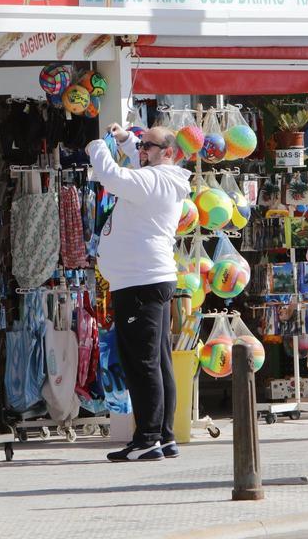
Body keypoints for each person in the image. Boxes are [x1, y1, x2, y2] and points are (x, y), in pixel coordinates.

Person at [86, 123, 191, 462]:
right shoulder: (163, 177)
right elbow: (139, 159)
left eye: (150, 146)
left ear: (169, 153)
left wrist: (96, 147)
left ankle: (147, 439)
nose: (142, 150)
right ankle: (164, 436)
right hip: (146, 279)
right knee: (158, 361)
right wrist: (126, 140)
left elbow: (111, 176)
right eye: (142, 144)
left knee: (142, 363)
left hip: (139, 282)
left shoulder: (154, 180)